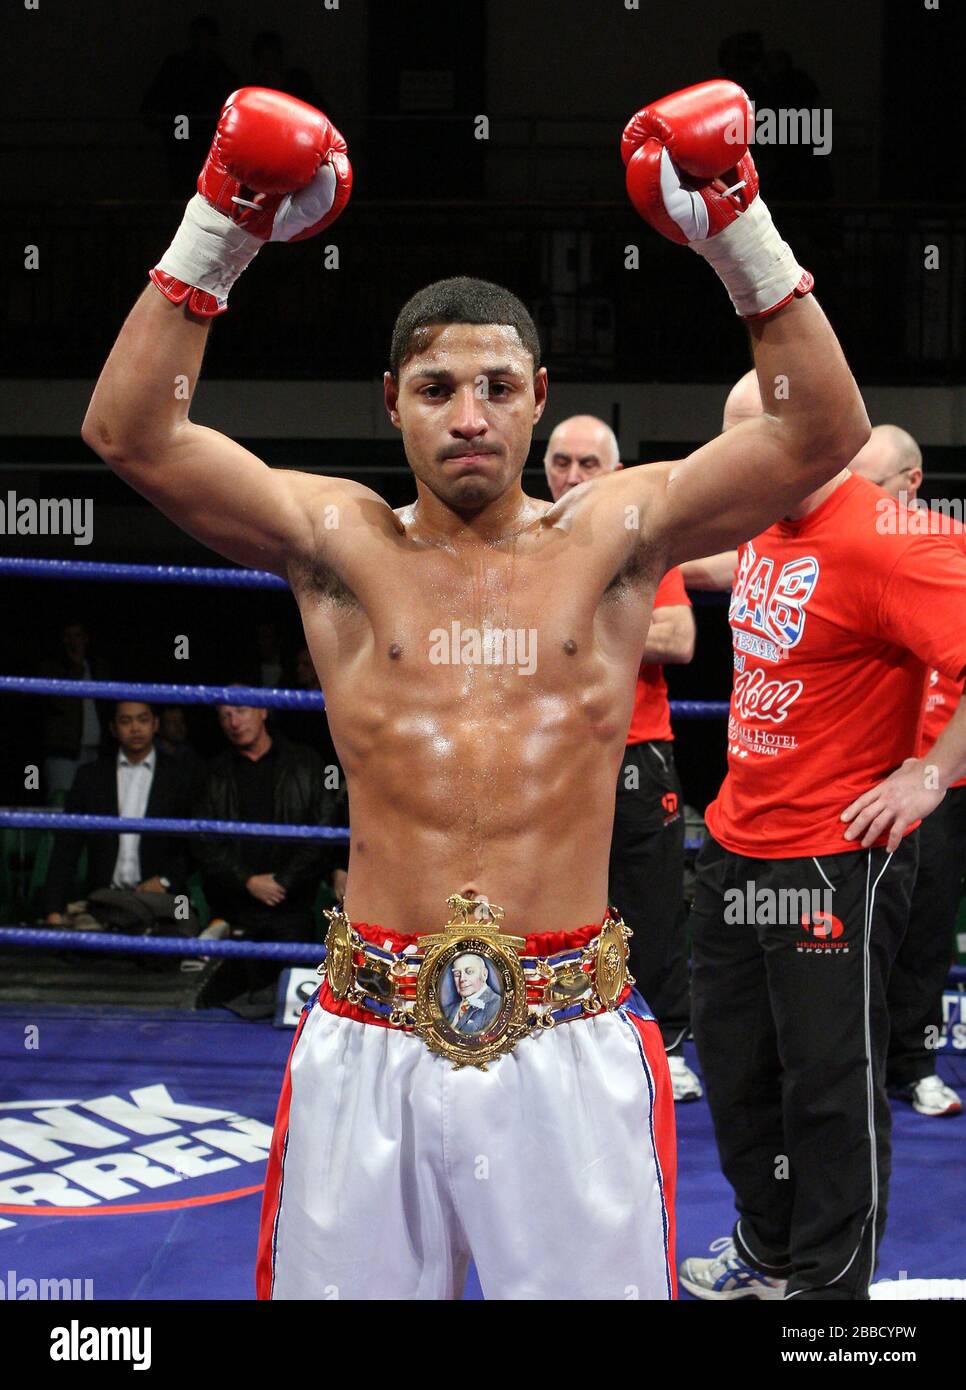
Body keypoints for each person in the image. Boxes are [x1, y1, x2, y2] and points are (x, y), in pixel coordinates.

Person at [82, 80, 872, 1300]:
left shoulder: (613, 538)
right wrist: (221, 222)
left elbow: (822, 432)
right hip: (370, 1033)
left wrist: (735, 220)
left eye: (499, 386)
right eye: (438, 388)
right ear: (389, 403)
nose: (471, 416)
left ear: (539, 398)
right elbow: (132, 431)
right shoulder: (338, 543)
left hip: (567, 1036)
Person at [677, 371, 966, 1301]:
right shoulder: (764, 512)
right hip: (737, 843)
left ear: (806, 436)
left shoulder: (894, 537)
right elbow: (733, 565)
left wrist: (928, 774)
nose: (732, 461)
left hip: (834, 855)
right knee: (733, 1068)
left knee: (831, 1087)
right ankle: (769, 1248)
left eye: (748, 440)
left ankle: (830, 1300)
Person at [543, 414, 701, 1101]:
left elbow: (679, 637)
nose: (573, 477)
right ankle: (548, 1038)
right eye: (561, 462)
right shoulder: (524, 539)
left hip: (638, 753)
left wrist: (565, 624)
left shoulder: (641, 540)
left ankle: (667, 1047)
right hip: (549, 757)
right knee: (548, 904)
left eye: (588, 463)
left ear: (614, 470)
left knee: (654, 908)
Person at [850, 428, 964, 1117]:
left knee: (924, 926)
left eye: (873, 485)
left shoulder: (944, 544)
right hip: (866, 767)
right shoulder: (840, 546)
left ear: (912, 480)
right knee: (850, 930)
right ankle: (852, 1067)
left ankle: (913, 1063)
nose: (858, 501)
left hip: (938, 773)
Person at [192, 695, 341, 1013]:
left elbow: (324, 830)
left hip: (292, 904)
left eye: (241, 710)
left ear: (262, 710)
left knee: (293, 1005)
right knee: (223, 1006)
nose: (234, 721)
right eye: (225, 715)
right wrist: (247, 881)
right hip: (237, 906)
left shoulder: (305, 762)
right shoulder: (213, 772)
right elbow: (203, 840)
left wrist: (283, 881)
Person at [43, 701, 193, 921]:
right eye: (125, 721)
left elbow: (196, 844)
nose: (135, 728)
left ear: (155, 724)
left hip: (163, 902)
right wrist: (53, 910)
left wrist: (165, 880)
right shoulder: (90, 777)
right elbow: (67, 846)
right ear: (113, 728)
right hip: (105, 903)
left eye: (143, 720)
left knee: (180, 946)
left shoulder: (180, 777)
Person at [39, 620, 108, 800]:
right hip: (63, 752)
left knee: (93, 806)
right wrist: (76, 667)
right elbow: (59, 701)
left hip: (95, 752)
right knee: (61, 804)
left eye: (77, 635)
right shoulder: (52, 667)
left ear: (86, 638)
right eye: (68, 636)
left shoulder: (97, 667)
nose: (73, 641)